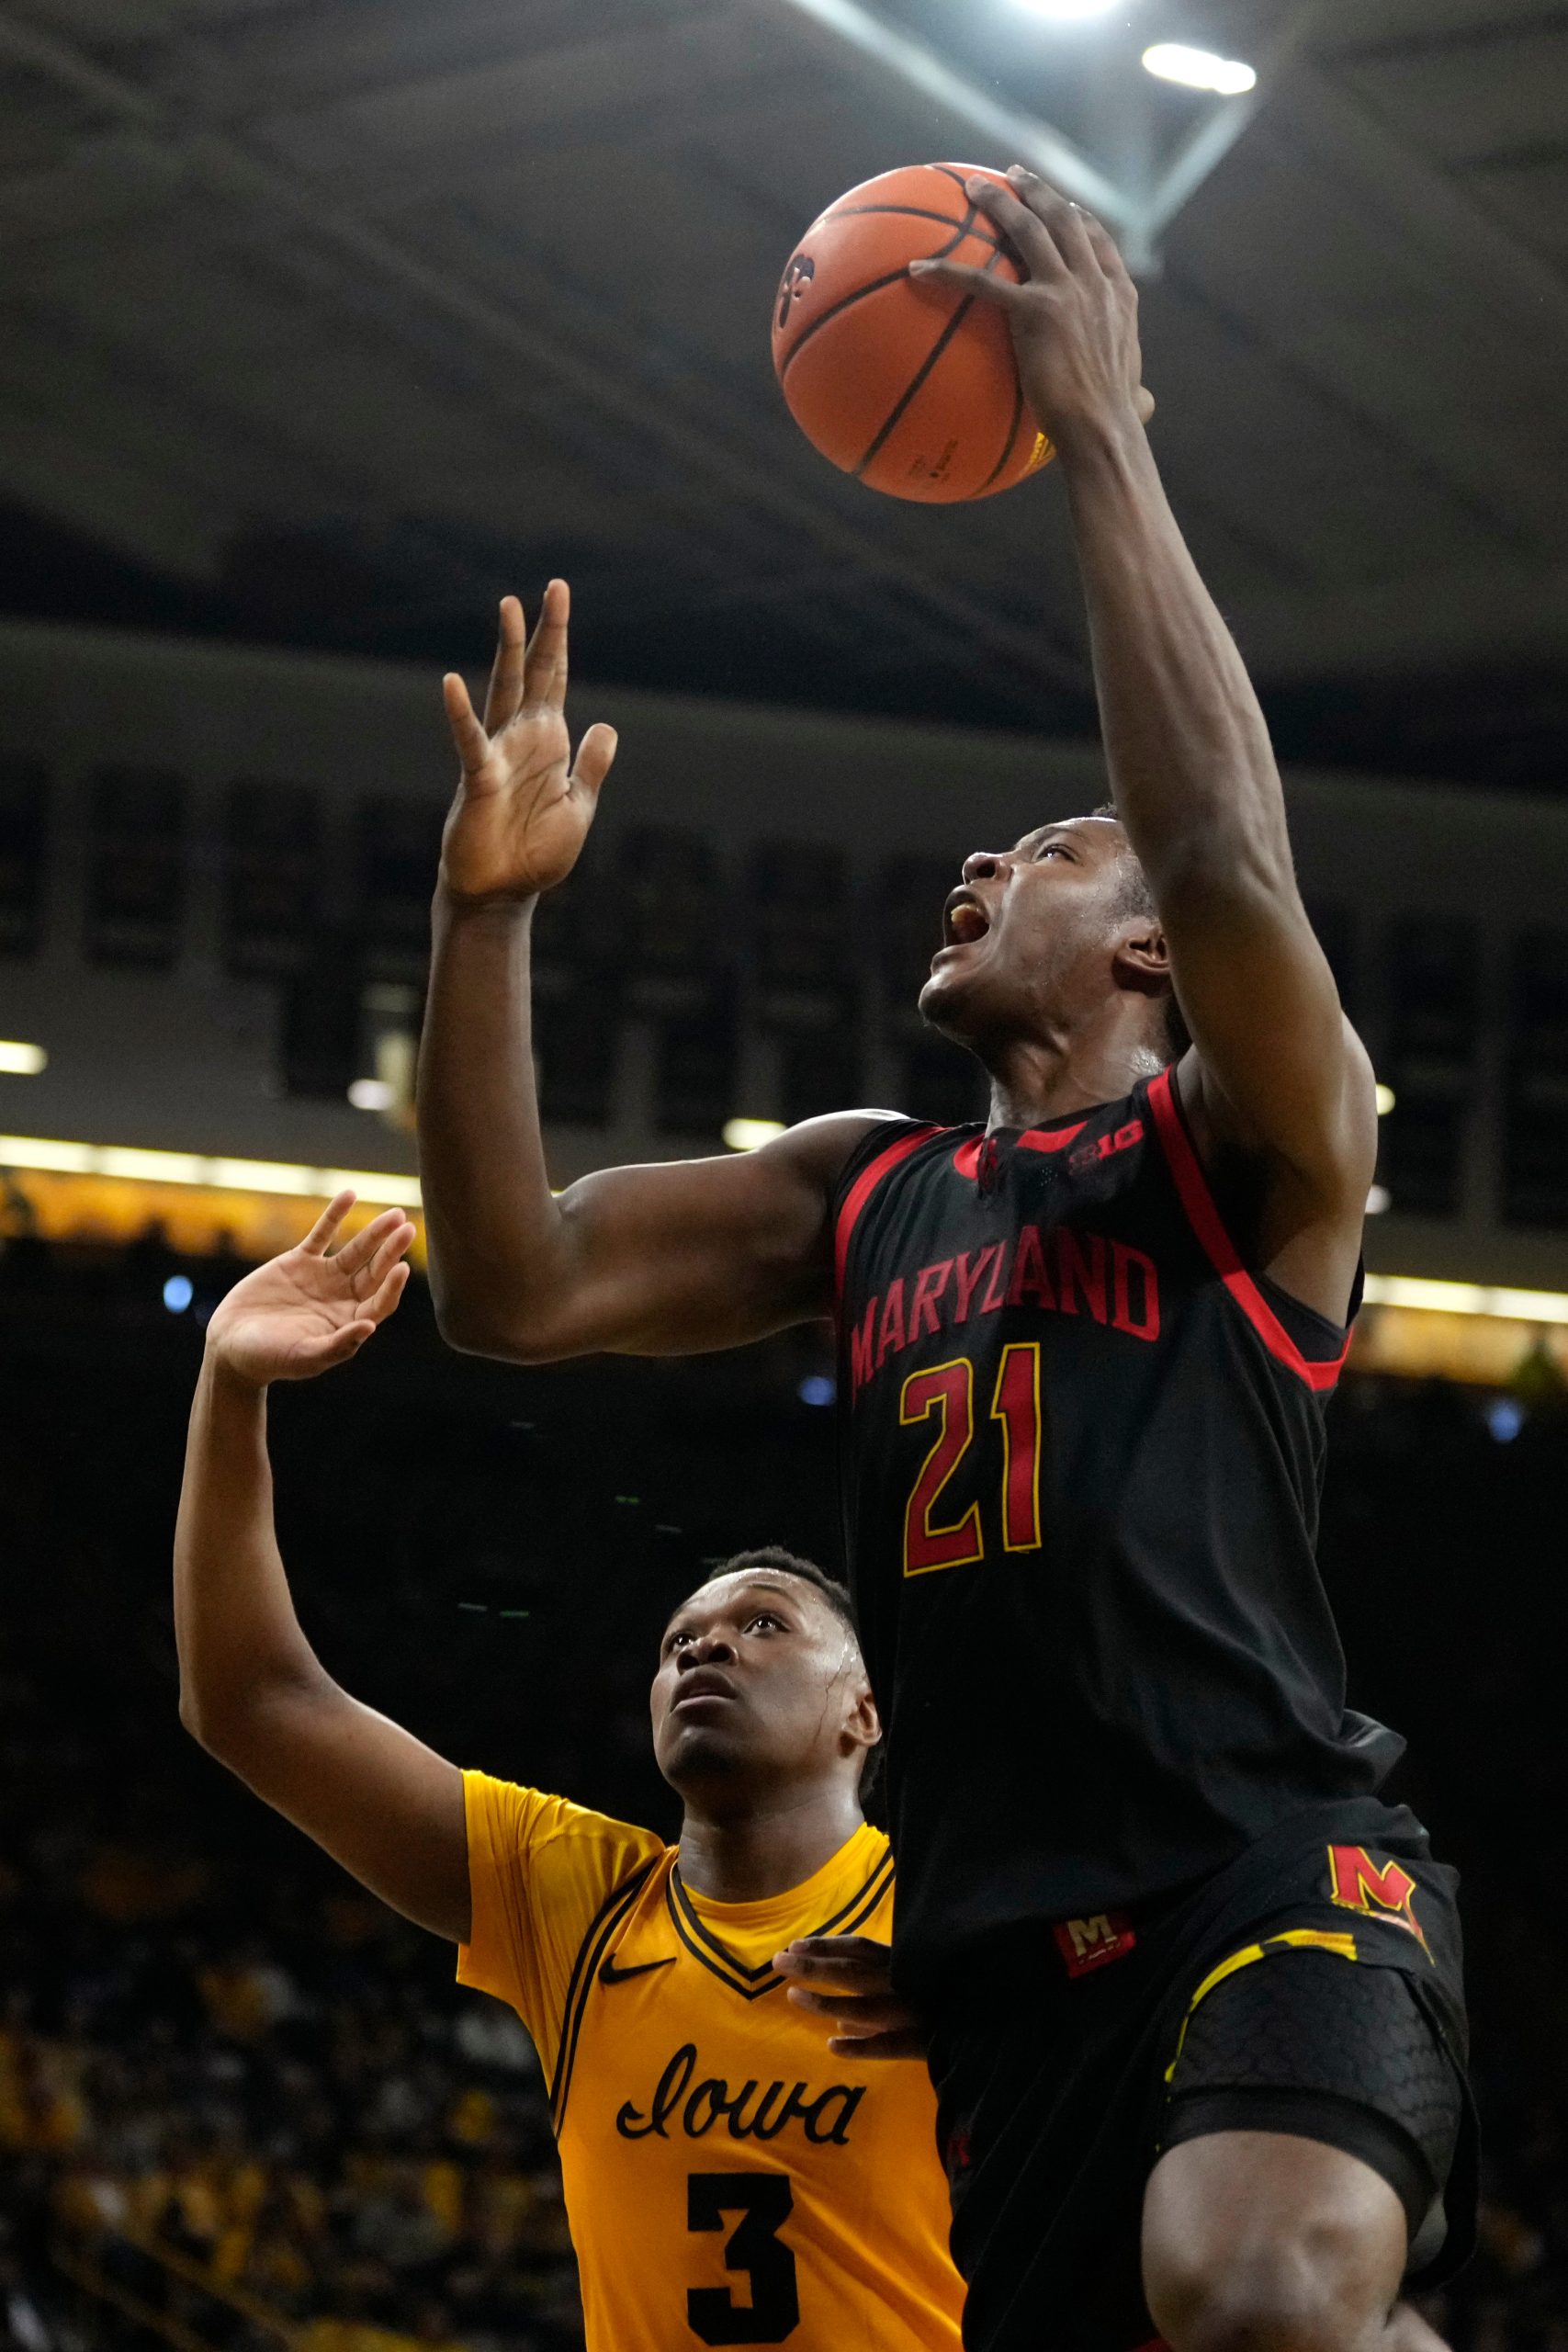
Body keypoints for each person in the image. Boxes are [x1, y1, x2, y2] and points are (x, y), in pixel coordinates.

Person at [415, 169, 1477, 2352]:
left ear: (1148, 955)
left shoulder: (1249, 1154)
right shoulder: (856, 1192)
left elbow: (1215, 842)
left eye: (1051, 851)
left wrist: (1098, 437)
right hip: (994, 1979)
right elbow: (507, 1283)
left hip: (1265, 1868)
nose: (985, 856)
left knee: (1260, 2288)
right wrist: (486, 918)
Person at [172, 1194, 964, 2352]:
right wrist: (229, 1391)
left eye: (764, 1625)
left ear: (867, 1709)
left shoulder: (969, 1909)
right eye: (678, 1641)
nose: (705, 1646)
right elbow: (254, 1702)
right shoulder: (579, 1901)